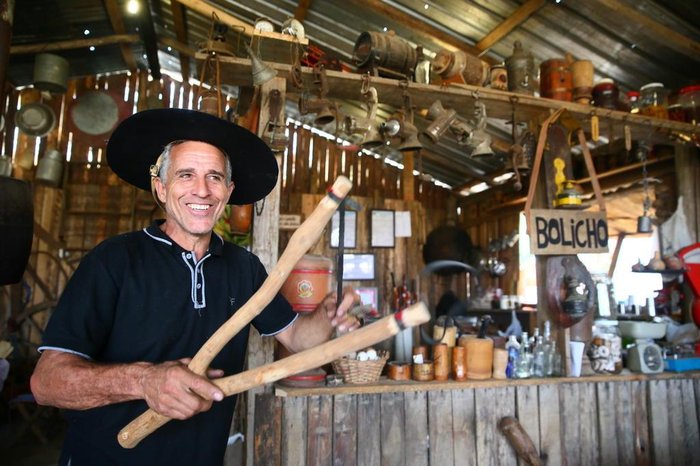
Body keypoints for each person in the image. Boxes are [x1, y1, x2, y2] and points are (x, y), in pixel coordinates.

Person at [30, 108, 360, 466]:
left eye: (215, 177)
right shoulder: (113, 260)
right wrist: (145, 381)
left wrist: (327, 316)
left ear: (229, 191)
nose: (202, 190)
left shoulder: (243, 267)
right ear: (160, 186)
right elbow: (46, 383)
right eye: (186, 175)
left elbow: (298, 339)